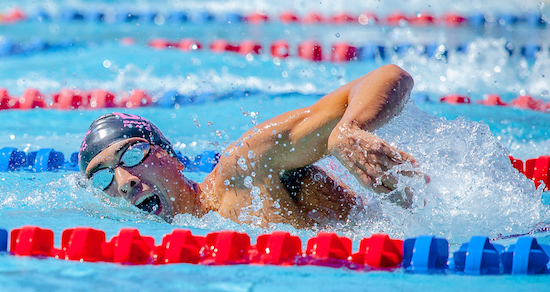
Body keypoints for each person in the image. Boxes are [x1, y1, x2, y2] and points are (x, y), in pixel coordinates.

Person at [79, 64, 419, 228]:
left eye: (133, 154)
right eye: (102, 177)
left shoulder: (246, 167)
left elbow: (389, 76)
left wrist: (349, 129)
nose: (124, 183)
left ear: (171, 157)